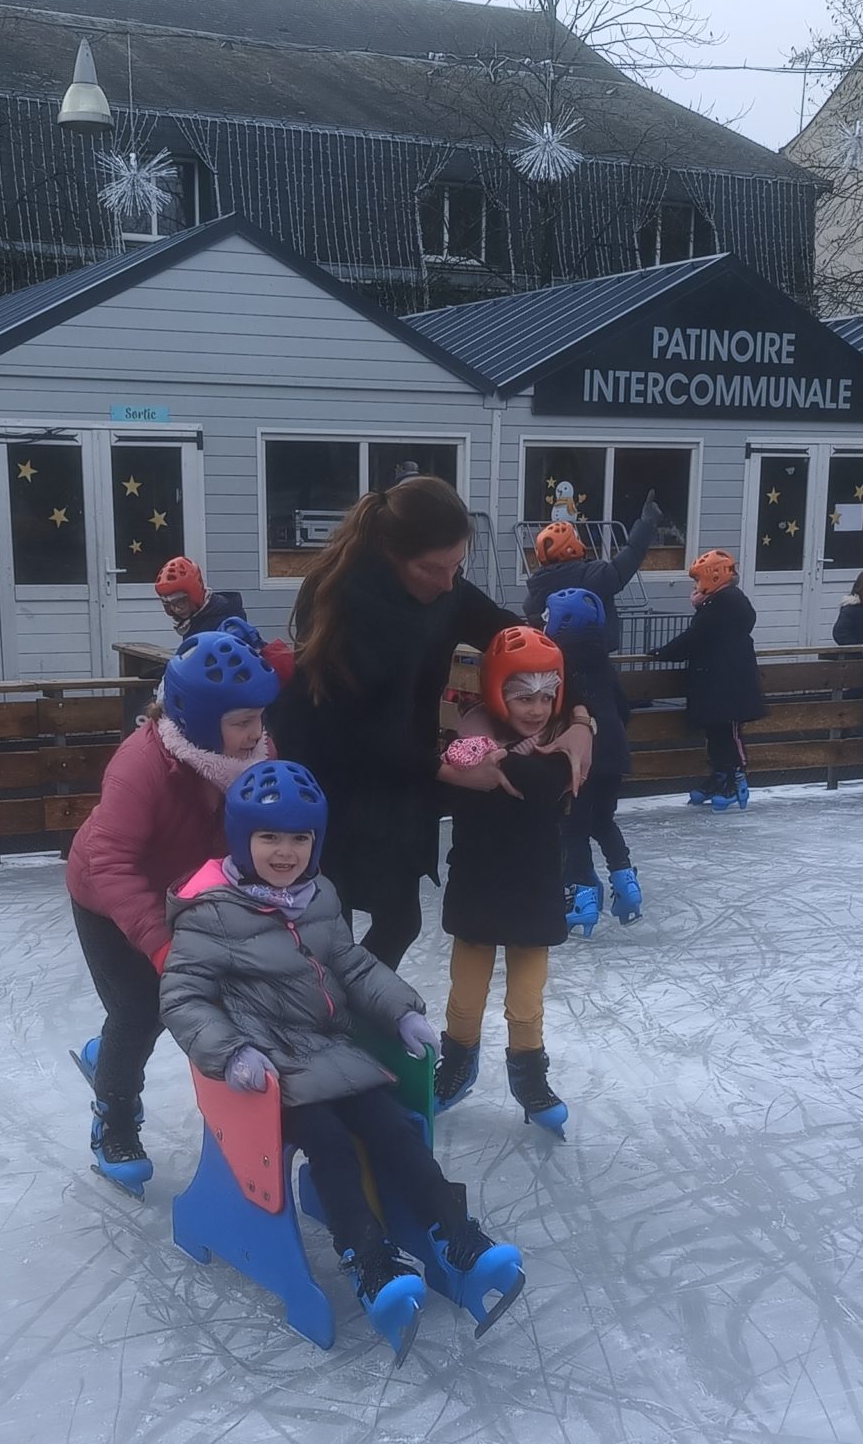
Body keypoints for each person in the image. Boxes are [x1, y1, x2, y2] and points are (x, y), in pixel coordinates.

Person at [160, 759, 525, 1359]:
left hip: (332, 1050)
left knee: (395, 1128)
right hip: (268, 1075)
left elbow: (351, 966)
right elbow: (183, 997)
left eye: (300, 838)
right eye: (269, 837)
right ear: (242, 839)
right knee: (330, 1144)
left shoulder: (318, 895)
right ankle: (369, 1259)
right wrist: (233, 1054)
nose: (285, 852)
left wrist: (401, 1012)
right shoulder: (211, 912)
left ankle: (455, 1237)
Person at [65, 629, 281, 1190]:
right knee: (142, 1008)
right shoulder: (140, 765)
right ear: (202, 720)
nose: (256, 732)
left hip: (189, 892)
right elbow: (111, 863)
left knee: (221, 993)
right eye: (242, 722)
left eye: (260, 718)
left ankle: (107, 1055)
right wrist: (161, 946)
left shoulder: (256, 756)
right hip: (107, 895)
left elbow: (271, 831)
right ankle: (114, 1118)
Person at [272, 476, 516, 968]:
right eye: (433, 568)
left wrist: (580, 716)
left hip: (398, 784)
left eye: (457, 566)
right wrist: (448, 770)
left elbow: (509, 633)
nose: (448, 582)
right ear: (389, 553)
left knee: (401, 921)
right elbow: (349, 730)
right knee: (330, 927)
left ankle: (356, 1003)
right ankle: (334, 1007)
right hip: (328, 785)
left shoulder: (443, 590)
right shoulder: (340, 597)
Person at [433, 626, 593, 1132]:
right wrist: (456, 767)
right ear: (496, 690)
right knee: (465, 996)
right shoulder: (469, 735)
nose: (537, 709)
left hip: (534, 887)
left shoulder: (563, 739)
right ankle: (457, 1064)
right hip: (477, 883)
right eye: (524, 696)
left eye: (548, 696)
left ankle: (529, 1077)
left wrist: (582, 726)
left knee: (526, 1002)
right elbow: (449, 771)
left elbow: (542, 784)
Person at [542, 586, 641, 929]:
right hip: (614, 755)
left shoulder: (558, 662)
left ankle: (580, 895)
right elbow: (624, 708)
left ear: (561, 623)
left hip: (581, 758)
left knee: (572, 828)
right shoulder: (602, 660)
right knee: (602, 822)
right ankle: (626, 880)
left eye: (547, 618)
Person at [658, 551, 767, 809]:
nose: (695, 587)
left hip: (729, 685)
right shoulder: (717, 603)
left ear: (713, 577)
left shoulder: (725, 603)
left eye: (698, 580)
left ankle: (735, 779)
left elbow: (696, 637)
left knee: (728, 733)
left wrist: (664, 653)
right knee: (716, 733)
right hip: (716, 682)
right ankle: (719, 776)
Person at [522, 490, 664, 644]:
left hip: (555, 653)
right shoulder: (595, 574)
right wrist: (647, 523)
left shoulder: (536, 591)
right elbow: (632, 554)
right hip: (595, 650)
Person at [155, 555, 247, 637]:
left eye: (180, 602)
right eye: (168, 604)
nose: (176, 609)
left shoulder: (228, 619)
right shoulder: (194, 617)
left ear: (194, 594)